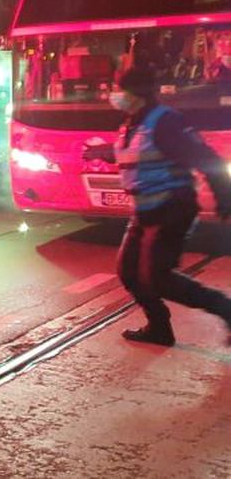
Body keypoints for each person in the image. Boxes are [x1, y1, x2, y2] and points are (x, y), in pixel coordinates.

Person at [84, 67, 231, 347]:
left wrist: (224, 195)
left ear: (135, 93)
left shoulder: (166, 121)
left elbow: (205, 157)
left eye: (118, 89)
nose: (113, 95)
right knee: (129, 271)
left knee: (157, 278)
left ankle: (227, 310)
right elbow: (138, 155)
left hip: (172, 207)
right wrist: (103, 153)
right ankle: (159, 328)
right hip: (146, 210)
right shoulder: (133, 122)